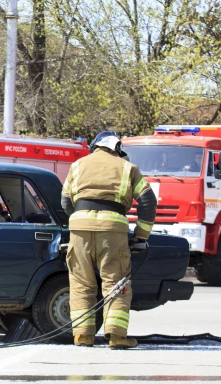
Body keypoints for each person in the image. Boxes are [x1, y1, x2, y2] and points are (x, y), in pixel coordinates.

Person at [61, 130, 157, 350]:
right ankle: (116, 337)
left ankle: (83, 336)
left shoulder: (77, 165)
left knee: (81, 283)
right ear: (117, 149)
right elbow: (148, 202)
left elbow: (65, 202)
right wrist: (141, 236)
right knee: (116, 283)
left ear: (95, 146)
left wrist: (80, 222)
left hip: (80, 229)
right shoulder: (128, 168)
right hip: (113, 231)